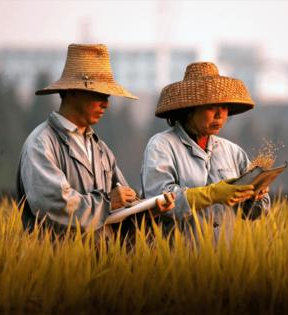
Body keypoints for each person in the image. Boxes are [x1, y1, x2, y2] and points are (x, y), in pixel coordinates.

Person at [16, 43, 174, 234]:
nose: (106, 104)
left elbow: (123, 211)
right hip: (58, 263)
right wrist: (108, 202)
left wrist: (149, 211)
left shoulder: (101, 150)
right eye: (99, 94)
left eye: (107, 96)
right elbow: (54, 207)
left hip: (101, 262)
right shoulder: (41, 144)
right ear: (72, 91)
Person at [140, 62, 270, 235]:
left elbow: (255, 214)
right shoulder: (162, 145)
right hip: (177, 257)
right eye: (210, 107)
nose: (220, 114)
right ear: (189, 110)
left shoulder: (233, 152)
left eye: (224, 107)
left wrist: (255, 195)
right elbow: (160, 202)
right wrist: (212, 194)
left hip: (223, 256)